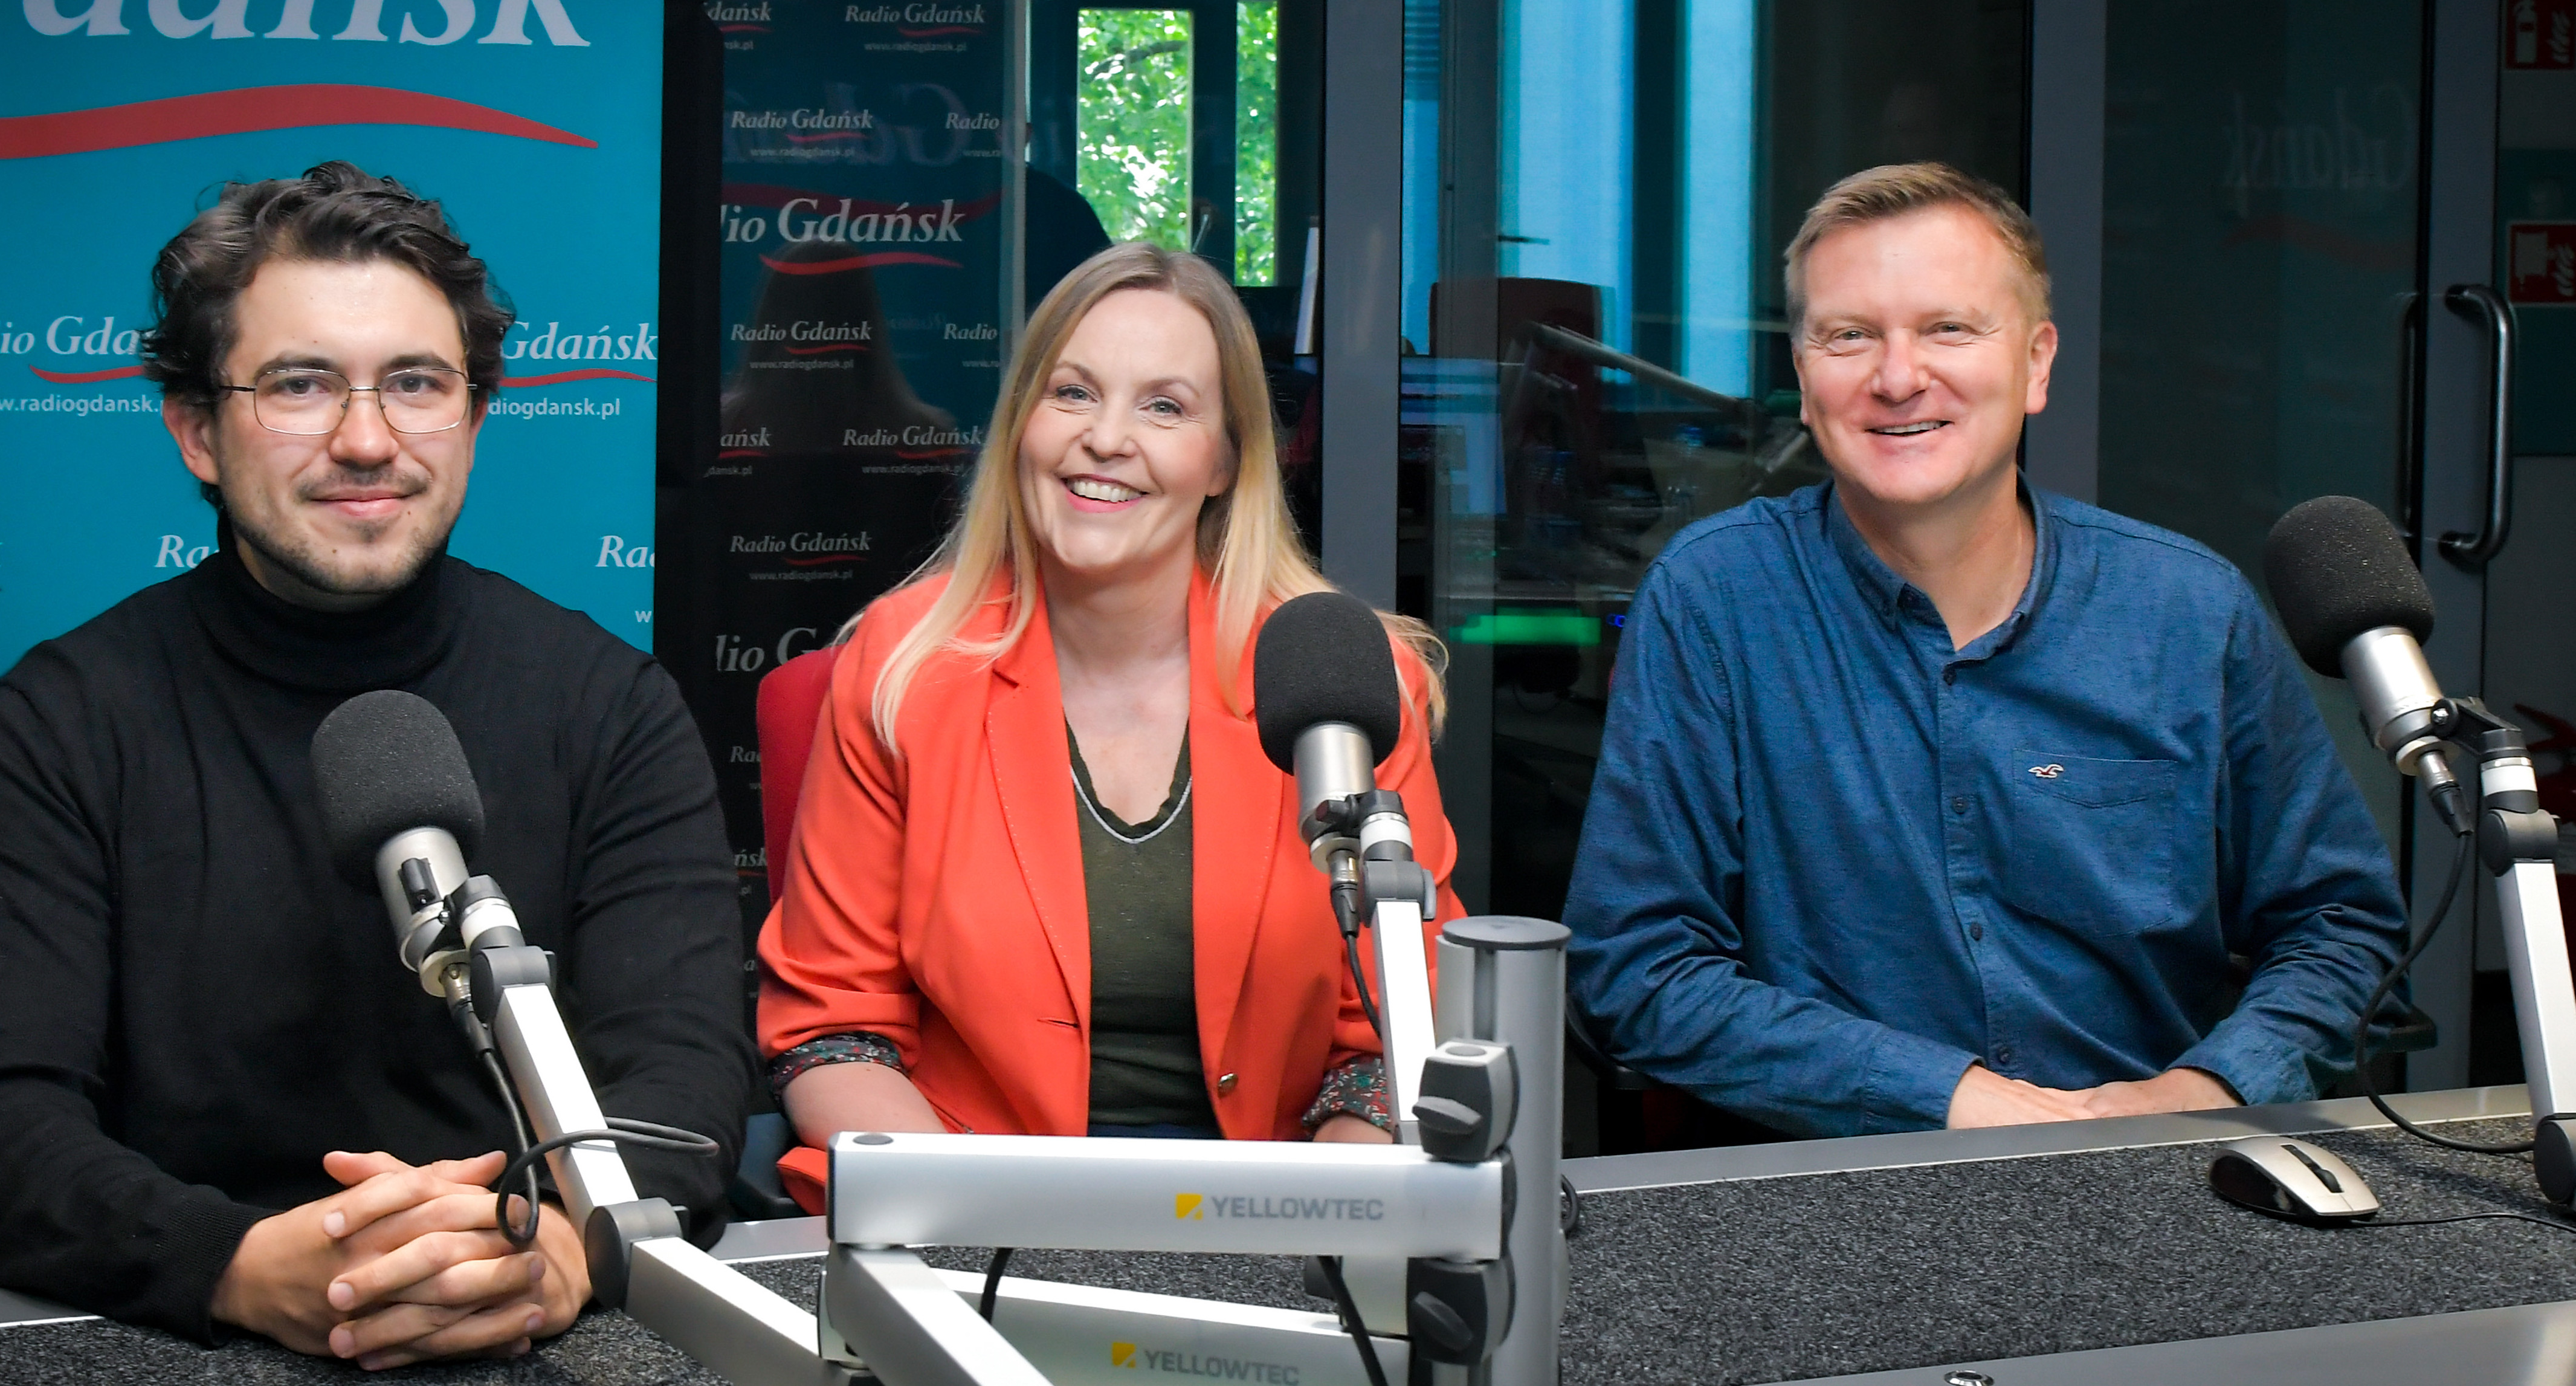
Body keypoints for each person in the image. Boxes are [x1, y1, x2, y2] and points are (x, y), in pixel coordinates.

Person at [0, 163, 752, 1368]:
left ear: (473, 417)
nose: (367, 440)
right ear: (198, 431)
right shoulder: (59, 723)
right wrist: (244, 1267)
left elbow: (682, 1069)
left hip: (544, 1313)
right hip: (191, 1332)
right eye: (300, 385)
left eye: (415, 383)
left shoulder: (610, 706)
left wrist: (563, 1249)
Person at [1563, 163, 2405, 1140]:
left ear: (2037, 364)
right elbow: (1639, 966)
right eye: (1848, 335)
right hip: (1827, 1195)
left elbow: (2340, 927)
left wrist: (2210, 1089)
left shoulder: (2185, 611)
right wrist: (1946, 1096)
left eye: (1947, 329)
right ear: (1802, 377)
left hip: (2152, 1169)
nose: (1895, 376)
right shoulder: (1715, 600)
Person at [754, 242, 1459, 1205]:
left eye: (1164, 407)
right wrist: (990, 1231)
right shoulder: (899, 667)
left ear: (1224, 461)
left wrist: (1306, 1230)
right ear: (1021, 427)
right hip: (967, 1198)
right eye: (1073, 393)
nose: (1106, 438)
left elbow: (1390, 1031)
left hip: (1284, 1205)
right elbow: (835, 1029)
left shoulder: (1345, 687)